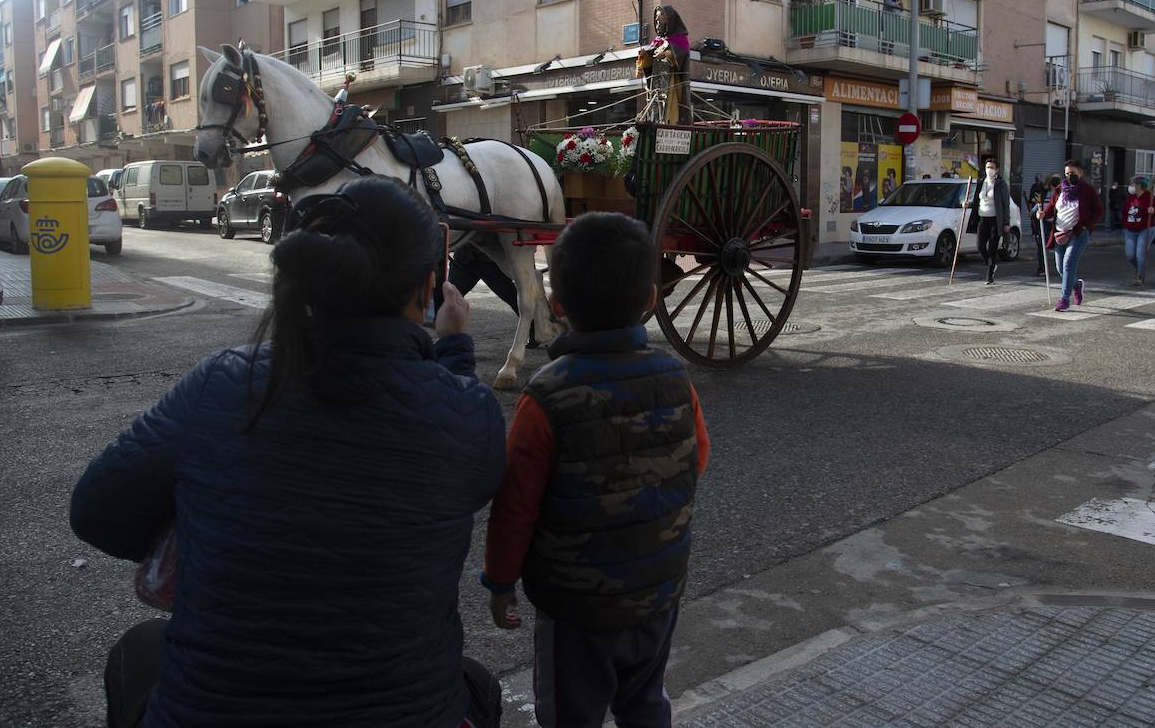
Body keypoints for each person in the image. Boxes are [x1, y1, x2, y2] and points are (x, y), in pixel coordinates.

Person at [70, 176, 507, 728]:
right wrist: (454, 352)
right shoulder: (467, 411)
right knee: (476, 685)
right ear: (428, 287)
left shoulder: (223, 382)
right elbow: (472, 469)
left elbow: (95, 513)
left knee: (140, 650)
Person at [480, 212, 710, 728]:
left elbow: (515, 508)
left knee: (570, 715)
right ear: (651, 299)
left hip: (576, 607)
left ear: (557, 308)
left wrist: (499, 581)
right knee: (647, 702)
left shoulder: (546, 395)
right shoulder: (676, 377)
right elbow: (696, 457)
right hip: (658, 591)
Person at [1041, 160, 1103, 312]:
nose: (1069, 176)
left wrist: (1085, 225)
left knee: (1068, 264)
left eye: (1073, 173)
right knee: (1060, 268)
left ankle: (1064, 299)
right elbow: (1051, 208)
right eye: (1067, 173)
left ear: (1081, 172)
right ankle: (1076, 285)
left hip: (1078, 233)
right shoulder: (1059, 189)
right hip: (1060, 233)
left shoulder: (1088, 190)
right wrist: (1042, 213)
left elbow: (1098, 211)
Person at [972, 156, 1011, 285]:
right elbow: (976, 200)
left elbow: (1006, 205)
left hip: (996, 220)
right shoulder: (981, 182)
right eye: (987, 167)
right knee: (980, 246)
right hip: (982, 218)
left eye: (992, 168)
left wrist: (1006, 222)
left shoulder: (1001, 184)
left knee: (992, 248)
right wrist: (967, 204)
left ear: (997, 170)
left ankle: (989, 275)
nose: (989, 170)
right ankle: (991, 265)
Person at [1123, 175, 1155, 286]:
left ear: (1139, 186)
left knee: (1140, 253)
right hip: (1130, 230)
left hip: (1145, 229)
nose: (1131, 186)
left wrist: (1153, 211)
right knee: (1130, 255)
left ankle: (1139, 275)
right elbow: (1125, 212)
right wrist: (1126, 224)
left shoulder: (1150, 198)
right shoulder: (1130, 197)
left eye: (1133, 184)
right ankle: (1138, 268)